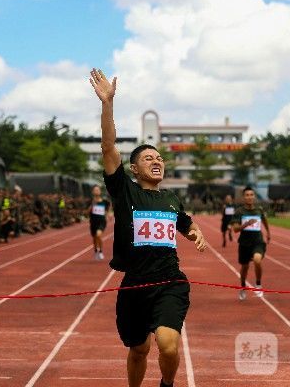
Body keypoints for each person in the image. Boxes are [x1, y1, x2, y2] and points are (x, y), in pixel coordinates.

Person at [90, 68, 206, 387]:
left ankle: (166, 386)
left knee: (168, 345)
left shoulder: (170, 198)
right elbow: (108, 148)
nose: (157, 161)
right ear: (134, 168)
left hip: (170, 282)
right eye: (149, 158)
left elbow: (184, 221)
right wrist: (107, 104)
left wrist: (194, 230)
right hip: (134, 286)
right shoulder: (125, 190)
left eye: (160, 158)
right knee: (139, 349)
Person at [230, 186, 271, 301]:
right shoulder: (239, 212)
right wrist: (246, 224)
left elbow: (264, 220)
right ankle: (243, 286)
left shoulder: (259, 210)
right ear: (244, 197)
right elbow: (235, 229)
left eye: (251, 195)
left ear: (254, 196)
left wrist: (268, 232)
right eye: (247, 195)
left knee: (257, 260)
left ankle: (258, 284)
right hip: (244, 243)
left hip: (258, 241)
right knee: (245, 267)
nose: (249, 197)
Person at [89, 185, 111, 260]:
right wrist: (92, 205)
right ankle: (96, 251)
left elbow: (108, 207)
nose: (96, 191)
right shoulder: (90, 201)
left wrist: (107, 214)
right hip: (93, 222)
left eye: (98, 190)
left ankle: (100, 251)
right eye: (95, 190)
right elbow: (86, 212)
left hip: (102, 221)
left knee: (98, 235)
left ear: (100, 191)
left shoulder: (104, 201)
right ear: (92, 192)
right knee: (95, 238)